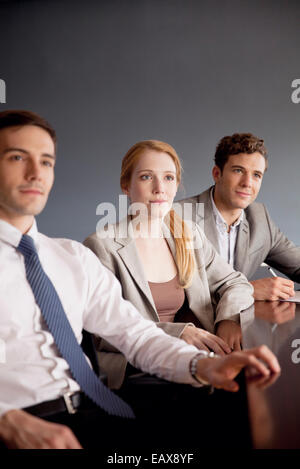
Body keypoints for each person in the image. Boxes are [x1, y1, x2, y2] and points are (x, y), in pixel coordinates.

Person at [0, 111, 280, 450]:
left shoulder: (71, 258)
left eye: (46, 161)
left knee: (244, 411)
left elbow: (135, 334)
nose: (35, 173)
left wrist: (204, 366)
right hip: (26, 419)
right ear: (126, 184)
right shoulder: (100, 245)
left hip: (91, 406)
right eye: (17, 157)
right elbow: (110, 346)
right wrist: (6, 419)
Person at [84, 140, 254, 389]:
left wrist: (228, 319)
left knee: (255, 377)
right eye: (146, 177)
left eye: (168, 178)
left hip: (196, 358)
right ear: (126, 186)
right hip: (136, 370)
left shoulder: (189, 235)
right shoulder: (102, 246)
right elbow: (103, 332)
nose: (159, 189)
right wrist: (178, 332)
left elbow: (235, 282)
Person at [178, 133, 300, 301]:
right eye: (238, 171)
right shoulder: (180, 215)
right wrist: (246, 290)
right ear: (217, 173)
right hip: (188, 323)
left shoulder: (259, 218)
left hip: (238, 322)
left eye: (256, 175)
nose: (247, 183)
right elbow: (172, 294)